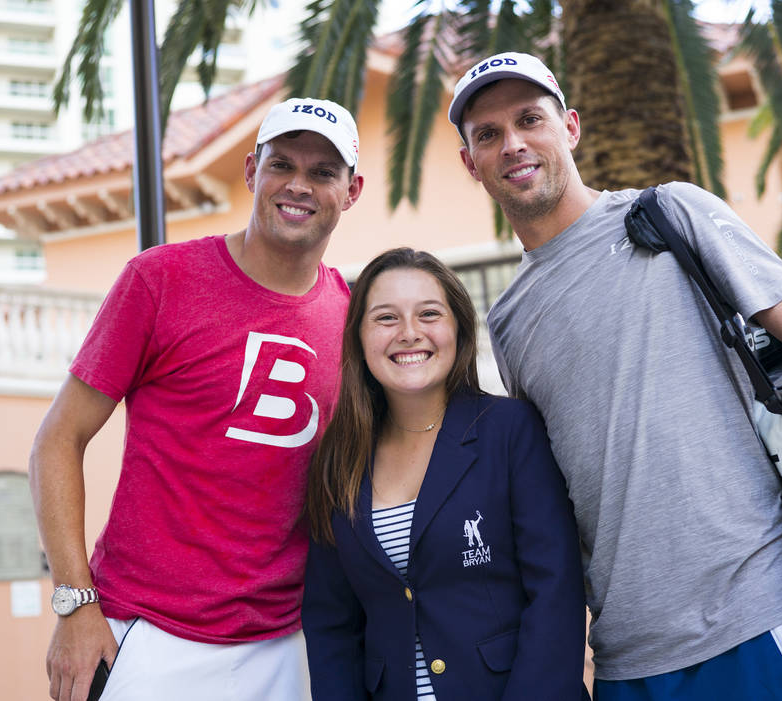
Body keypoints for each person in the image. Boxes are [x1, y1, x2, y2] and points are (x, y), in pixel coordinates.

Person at [448, 52, 782, 700]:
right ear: (470, 162)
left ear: (569, 127)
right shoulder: (507, 323)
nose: (512, 143)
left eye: (529, 118)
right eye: (487, 133)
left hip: (765, 623)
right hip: (628, 660)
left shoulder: (668, 214)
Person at [29, 97, 364, 701]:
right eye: (281, 164)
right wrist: (74, 602)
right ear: (250, 172)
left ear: (352, 190)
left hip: (288, 645)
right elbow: (59, 438)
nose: (298, 186)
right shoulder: (159, 279)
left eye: (322, 172)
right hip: (147, 634)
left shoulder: (353, 315)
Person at [302, 247, 589, 701]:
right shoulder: (338, 460)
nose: (410, 334)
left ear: (457, 326)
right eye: (386, 318)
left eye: (429, 313)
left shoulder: (509, 431)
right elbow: (332, 626)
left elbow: (555, 593)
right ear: (358, 337)